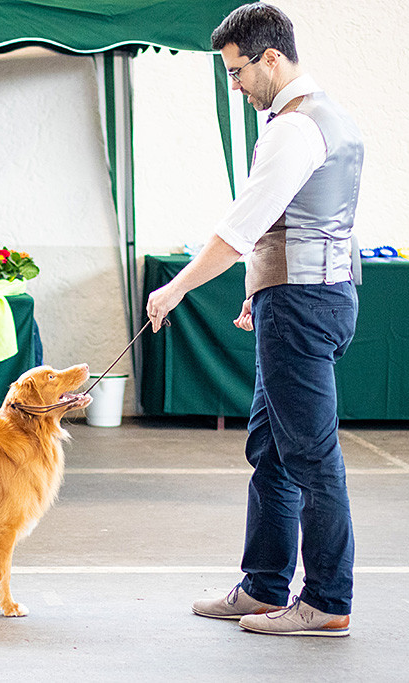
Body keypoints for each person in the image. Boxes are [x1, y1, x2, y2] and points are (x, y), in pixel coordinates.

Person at [146, 2, 363, 637]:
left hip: (301, 307)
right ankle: (264, 587)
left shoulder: (295, 129)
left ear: (271, 58)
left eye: (237, 72)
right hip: (307, 295)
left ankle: (326, 600)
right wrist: (257, 290)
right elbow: (311, 223)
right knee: (270, 447)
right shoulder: (331, 116)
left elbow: (241, 228)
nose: (234, 86)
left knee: (311, 456)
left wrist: (177, 289)